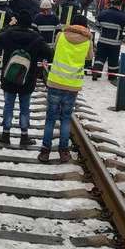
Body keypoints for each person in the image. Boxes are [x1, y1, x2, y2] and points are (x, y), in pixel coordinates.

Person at [0, 10, 52, 147]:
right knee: (25, 107)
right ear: (30, 23)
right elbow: (49, 53)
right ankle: (24, 136)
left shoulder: (9, 34)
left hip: (9, 78)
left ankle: (5, 134)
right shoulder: (36, 38)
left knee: (8, 105)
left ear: (18, 21)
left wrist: (8, 26)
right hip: (27, 79)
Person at [39, 14, 94, 163]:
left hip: (55, 82)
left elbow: (55, 50)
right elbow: (89, 58)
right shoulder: (88, 41)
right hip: (72, 85)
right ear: (85, 26)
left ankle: (45, 151)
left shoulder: (60, 36)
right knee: (65, 118)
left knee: (50, 118)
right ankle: (63, 151)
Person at [93, 0, 125, 83]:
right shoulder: (122, 16)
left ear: (111, 4)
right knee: (113, 60)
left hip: (102, 41)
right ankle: (112, 77)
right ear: (120, 5)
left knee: (99, 58)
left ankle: (96, 73)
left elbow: (97, 24)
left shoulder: (103, 13)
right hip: (115, 43)